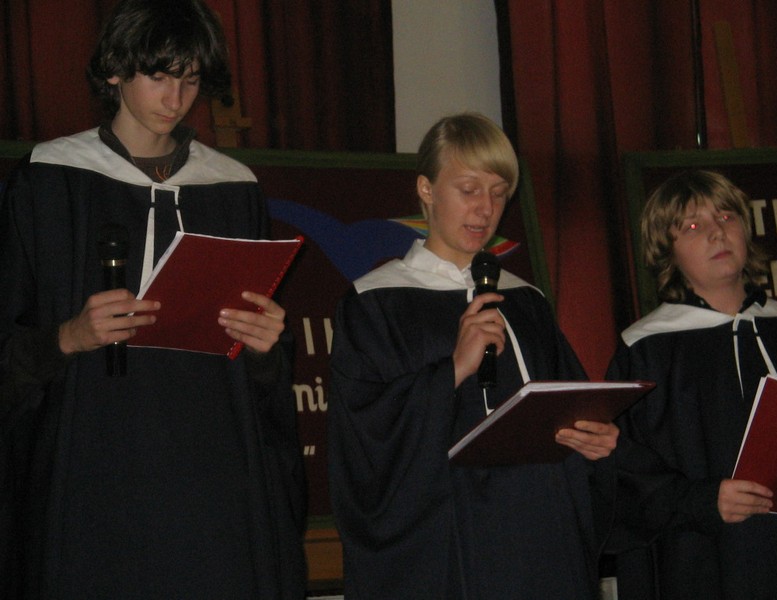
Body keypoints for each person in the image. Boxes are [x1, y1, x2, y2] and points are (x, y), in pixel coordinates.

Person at [0, 1, 306, 598]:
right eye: (160, 76)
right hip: (93, 469)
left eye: (190, 80)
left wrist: (266, 344)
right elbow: (9, 341)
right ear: (115, 69)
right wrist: (69, 336)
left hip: (211, 469)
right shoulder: (50, 180)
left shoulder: (233, 188)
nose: (176, 99)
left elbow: (262, 375)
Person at [327, 112, 619, 599]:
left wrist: (593, 440)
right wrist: (453, 370)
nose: (485, 209)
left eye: (499, 193)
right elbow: (363, 439)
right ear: (426, 189)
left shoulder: (525, 301)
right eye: (468, 189)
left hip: (540, 540)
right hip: (446, 548)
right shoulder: (374, 303)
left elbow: (566, 409)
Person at [605, 169, 777, 599]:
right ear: (667, 251)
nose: (717, 233)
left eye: (727, 217)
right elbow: (620, 471)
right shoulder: (646, 349)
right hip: (699, 560)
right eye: (693, 226)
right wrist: (700, 500)